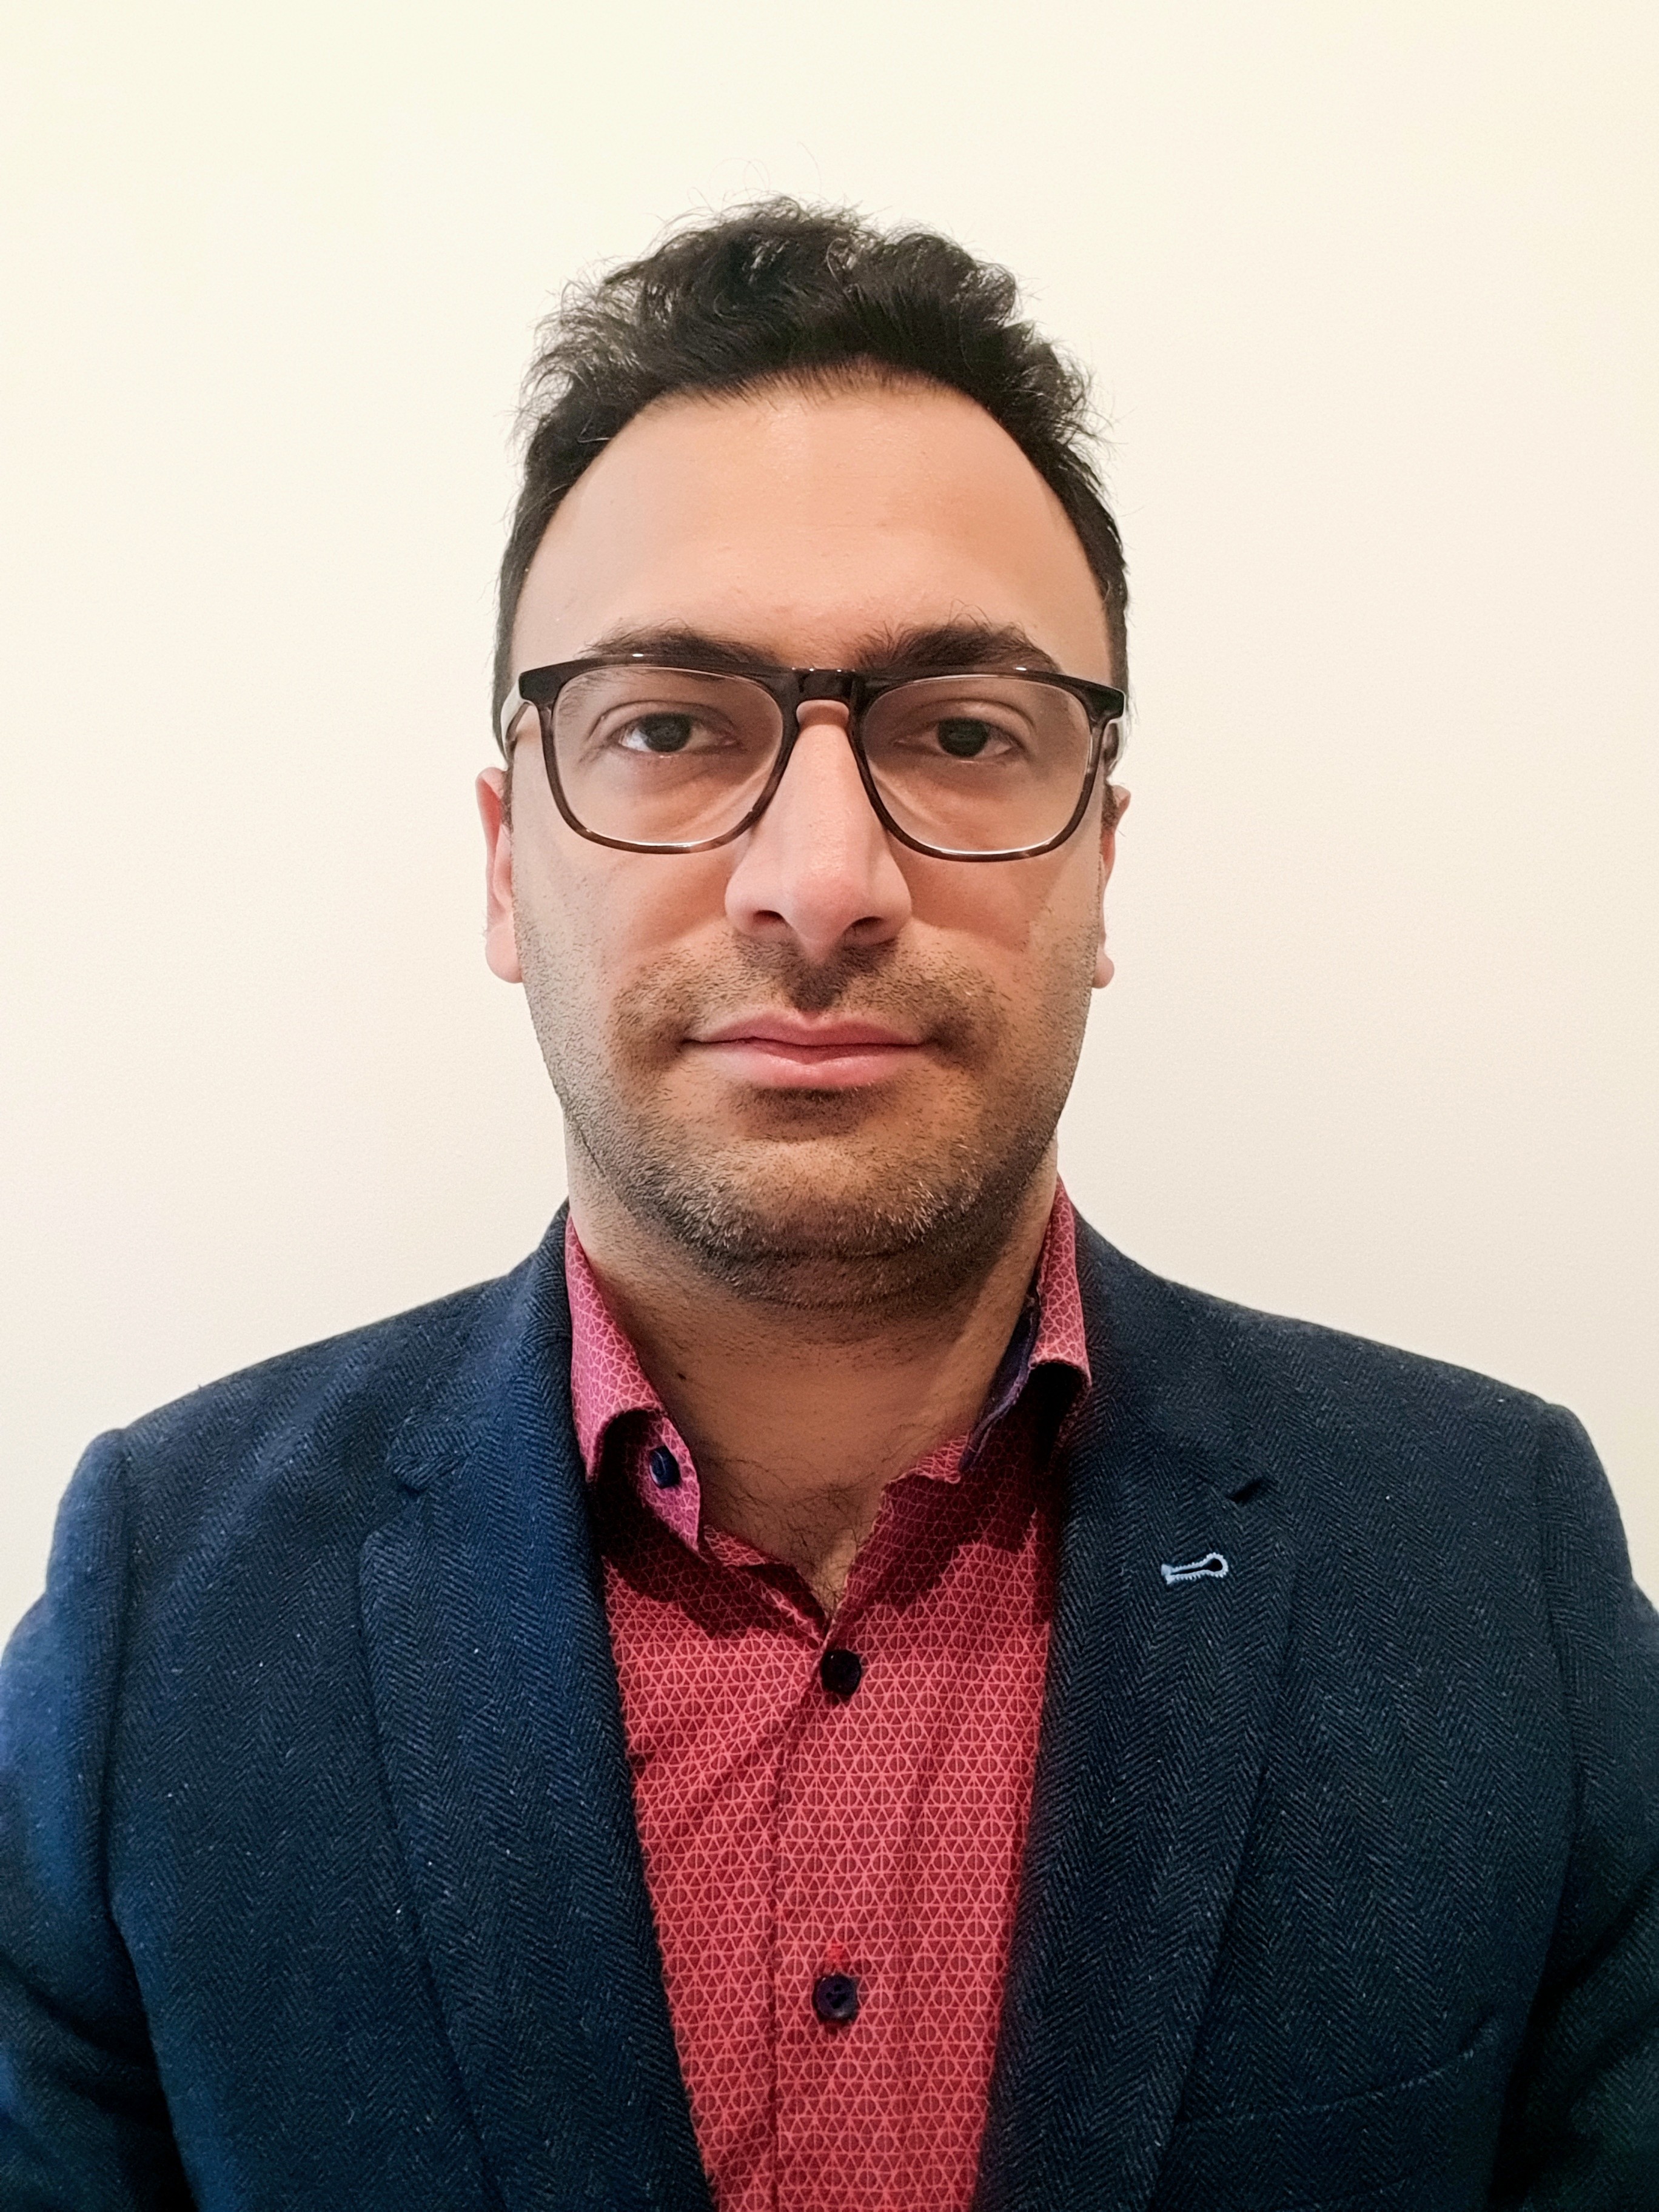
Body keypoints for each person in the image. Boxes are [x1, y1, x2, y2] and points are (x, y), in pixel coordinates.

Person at [1, 201, 1654, 2212]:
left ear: (1102, 865)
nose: (820, 881)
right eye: (667, 728)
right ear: (508, 864)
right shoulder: (162, 1616)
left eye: (960, 735)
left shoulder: (1496, 1568)